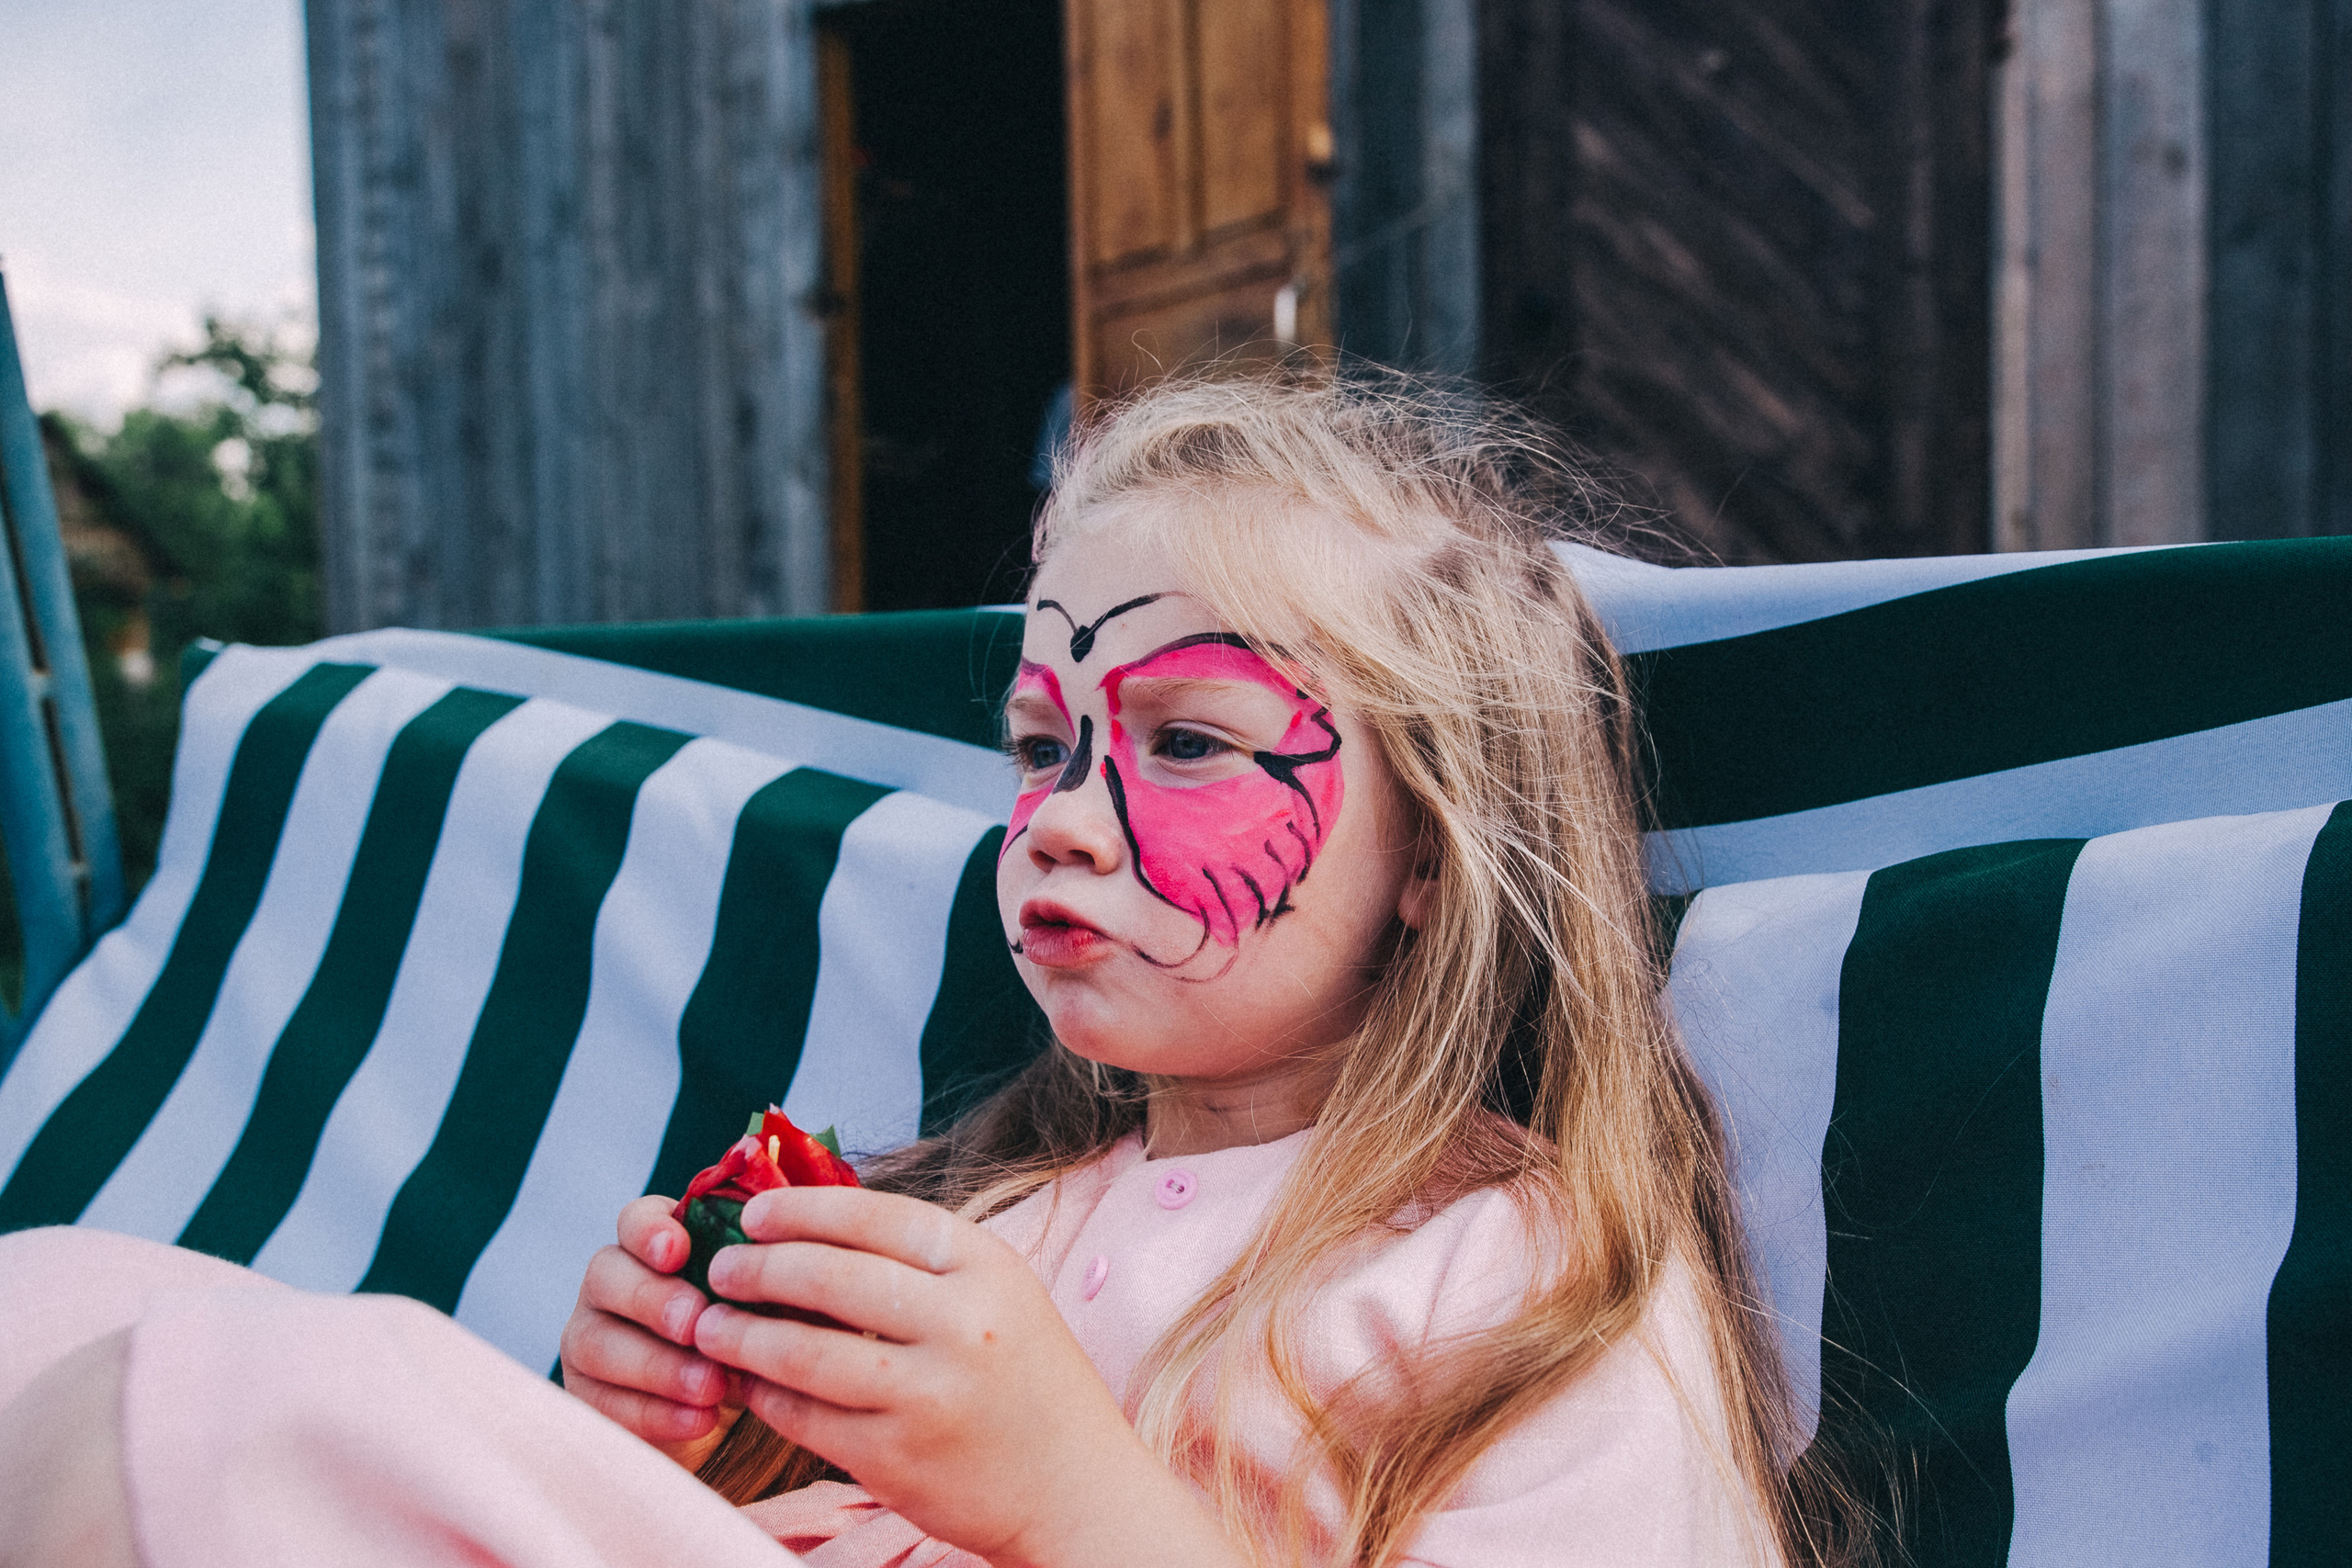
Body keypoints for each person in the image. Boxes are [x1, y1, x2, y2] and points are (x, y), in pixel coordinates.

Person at [0, 369, 1855, 1567]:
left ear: (1433, 856)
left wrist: (1069, 1493)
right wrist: (662, 1433)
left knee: (264, 1407)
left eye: (1188, 741)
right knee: (57, 1290)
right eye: (1042, 742)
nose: (1060, 819)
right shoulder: (1003, 1216)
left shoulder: (1525, 1278)